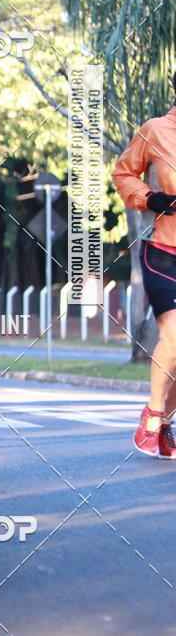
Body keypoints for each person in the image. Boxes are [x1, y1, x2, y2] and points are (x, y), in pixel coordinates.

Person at [112, 75, 176, 458]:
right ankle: (152, 415)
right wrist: (149, 198)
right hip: (164, 253)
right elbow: (122, 172)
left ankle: (166, 421)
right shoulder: (156, 130)